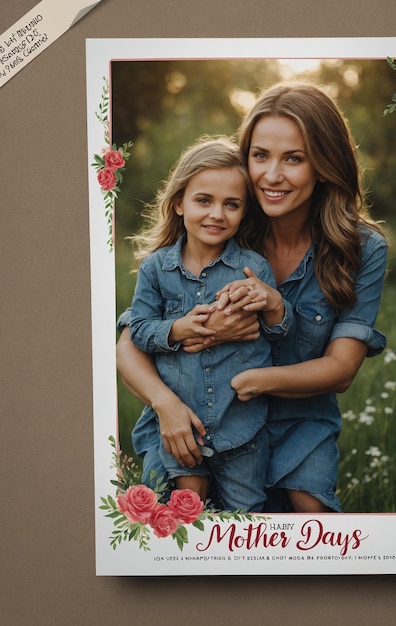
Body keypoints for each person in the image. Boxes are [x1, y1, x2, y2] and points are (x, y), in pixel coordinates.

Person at [117, 81, 387, 513]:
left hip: (297, 420)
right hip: (197, 414)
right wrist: (165, 403)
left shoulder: (362, 248)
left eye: (293, 159)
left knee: (308, 522)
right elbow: (130, 342)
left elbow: (340, 371)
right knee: (179, 526)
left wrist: (254, 382)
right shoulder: (225, 222)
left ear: (323, 164)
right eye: (260, 155)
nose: (271, 176)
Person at [126, 136, 291, 513]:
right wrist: (176, 330)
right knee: (187, 510)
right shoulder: (156, 268)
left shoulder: (252, 268)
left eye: (231, 205)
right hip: (182, 425)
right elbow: (138, 329)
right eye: (204, 200)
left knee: (245, 518)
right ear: (179, 202)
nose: (217, 214)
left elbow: (279, 334)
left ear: (243, 212)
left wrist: (272, 306)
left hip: (241, 428)